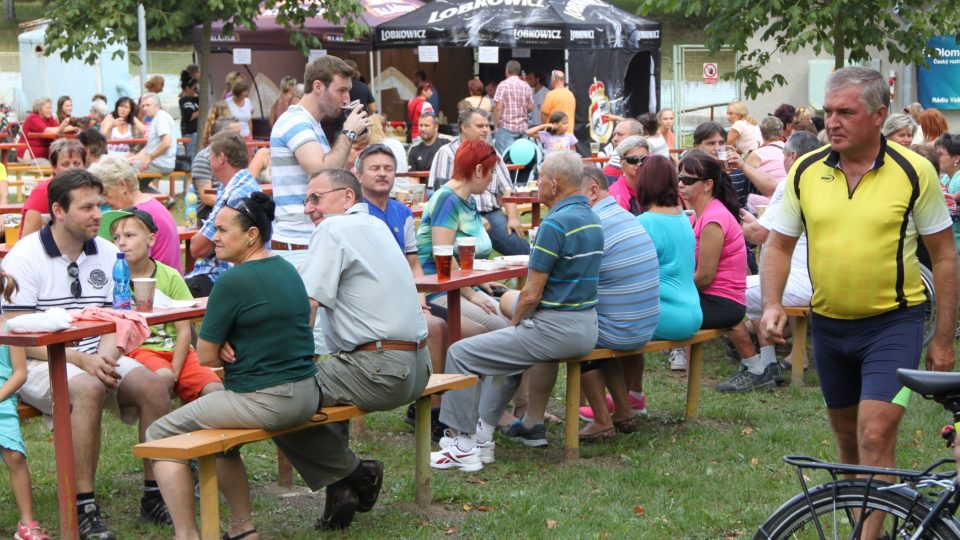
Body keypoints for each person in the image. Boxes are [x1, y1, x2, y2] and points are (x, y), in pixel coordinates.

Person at [761, 68, 957, 539]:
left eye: (846, 112)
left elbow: (945, 255)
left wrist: (944, 338)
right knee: (848, 445)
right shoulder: (806, 171)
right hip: (829, 327)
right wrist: (771, 304)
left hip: (895, 324)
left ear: (878, 115)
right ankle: (871, 528)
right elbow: (778, 245)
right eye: (828, 111)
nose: (833, 122)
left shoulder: (916, 171)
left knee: (875, 435)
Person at [3, 169, 173, 538]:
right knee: (87, 387)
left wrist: (106, 357)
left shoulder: (109, 252)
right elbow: (16, 334)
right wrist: (81, 360)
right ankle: (83, 505)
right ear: (58, 211)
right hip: (40, 360)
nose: (99, 214)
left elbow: (117, 316)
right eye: (87, 207)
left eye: (100, 204)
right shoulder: (25, 255)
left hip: (97, 354)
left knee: (155, 385)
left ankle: (155, 493)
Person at [147, 192, 326, 539]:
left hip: (267, 401)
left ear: (251, 235)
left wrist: (226, 343)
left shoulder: (230, 281)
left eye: (223, 230)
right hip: (307, 392)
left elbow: (207, 357)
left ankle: (186, 534)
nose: (214, 236)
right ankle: (243, 529)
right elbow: (300, 320)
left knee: (159, 435)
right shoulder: (286, 267)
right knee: (222, 439)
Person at [430, 151, 602, 470]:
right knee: (507, 356)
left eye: (539, 180)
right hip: (586, 328)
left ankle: (461, 442)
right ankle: (483, 438)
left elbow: (531, 294)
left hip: (555, 330)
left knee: (461, 353)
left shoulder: (555, 224)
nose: (535, 186)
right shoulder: (591, 217)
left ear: (554, 184)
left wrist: (515, 324)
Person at [299, 169, 432, 530]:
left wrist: (287, 363)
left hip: (381, 368)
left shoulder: (333, 228)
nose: (309, 207)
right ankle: (340, 493)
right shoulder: (376, 226)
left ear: (346, 198)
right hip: (418, 368)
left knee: (280, 394)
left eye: (316, 197)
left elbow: (309, 304)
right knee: (327, 378)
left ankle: (357, 474)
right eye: (306, 199)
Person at [570, 166, 660, 441]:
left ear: (593, 190)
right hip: (646, 324)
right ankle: (623, 410)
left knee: (578, 333)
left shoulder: (592, 224)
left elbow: (575, 287)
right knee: (596, 324)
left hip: (623, 329)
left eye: (571, 196)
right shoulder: (624, 215)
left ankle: (601, 420)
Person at [98, 208, 223, 401]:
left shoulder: (170, 276)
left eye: (129, 235)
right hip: (141, 350)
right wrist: (170, 376)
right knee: (162, 378)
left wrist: (176, 370)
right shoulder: (112, 278)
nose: (121, 242)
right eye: (115, 238)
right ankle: (159, 431)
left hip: (178, 350)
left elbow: (184, 331)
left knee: (214, 390)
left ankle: (189, 428)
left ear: (151, 239)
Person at [269, 54, 370, 265]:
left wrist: (351, 153)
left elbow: (331, 177)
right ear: (318, 86)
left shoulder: (312, 124)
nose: (346, 99)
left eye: (348, 91)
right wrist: (349, 133)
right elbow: (320, 172)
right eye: (341, 90)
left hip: (311, 241)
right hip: (298, 245)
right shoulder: (296, 121)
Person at [736, 131, 818, 375]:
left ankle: (763, 367)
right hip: (824, 281)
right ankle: (791, 357)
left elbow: (759, 235)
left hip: (799, 283)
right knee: (771, 280)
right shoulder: (825, 181)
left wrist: (733, 226)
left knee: (728, 291)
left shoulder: (792, 182)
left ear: (792, 156)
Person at [418, 140, 509, 333]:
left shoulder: (469, 200)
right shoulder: (447, 200)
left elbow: (464, 257)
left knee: (512, 320)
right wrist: (471, 293)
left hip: (461, 286)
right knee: (501, 328)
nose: (492, 178)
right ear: (478, 170)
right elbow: (442, 254)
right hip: (438, 288)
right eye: (491, 171)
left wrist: (478, 280)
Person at [676, 151, 753, 380]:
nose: (681, 185)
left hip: (722, 303)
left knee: (658, 311)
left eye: (688, 181)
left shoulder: (712, 220)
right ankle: (756, 367)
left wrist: (675, 291)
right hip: (721, 300)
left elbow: (705, 277)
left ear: (708, 184)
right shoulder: (699, 216)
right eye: (679, 179)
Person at [428, 107, 528, 256]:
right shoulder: (447, 152)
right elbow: (441, 194)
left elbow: (507, 188)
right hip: (459, 216)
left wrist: (513, 218)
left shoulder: (491, 153)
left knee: (525, 252)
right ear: (464, 127)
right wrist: (472, 219)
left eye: (488, 126)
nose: (486, 130)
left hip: (492, 214)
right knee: (466, 257)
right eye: (480, 126)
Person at [0, 270, 52, 540]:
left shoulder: (8, 327)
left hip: (2, 397)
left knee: (15, 456)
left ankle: (27, 523)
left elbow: (20, 373)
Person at [186, 131, 262, 297]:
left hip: (224, 278)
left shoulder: (233, 193)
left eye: (210, 155)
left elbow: (197, 248)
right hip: (245, 276)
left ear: (221, 157)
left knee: (169, 292)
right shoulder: (244, 184)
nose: (207, 160)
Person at [89, 154, 182, 272]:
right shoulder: (152, 204)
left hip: (154, 286)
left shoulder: (135, 215)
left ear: (123, 185)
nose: (104, 201)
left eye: (106, 193)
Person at [20, 138, 87, 239]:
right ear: (54, 168)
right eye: (65, 164)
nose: (72, 168)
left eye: (77, 163)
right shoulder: (43, 192)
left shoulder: (87, 190)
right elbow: (27, 238)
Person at [737, 116, 788, 211]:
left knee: (749, 198)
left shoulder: (757, 154)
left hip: (772, 201)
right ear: (782, 132)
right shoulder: (789, 150)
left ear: (762, 133)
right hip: (790, 197)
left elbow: (744, 178)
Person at [127, 93, 180, 185]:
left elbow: (167, 143)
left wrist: (149, 157)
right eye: (143, 106)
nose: (145, 108)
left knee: (125, 171)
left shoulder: (161, 117)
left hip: (162, 162)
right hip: (157, 161)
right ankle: (153, 195)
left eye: (148, 105)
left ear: (157, 105)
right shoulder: (154, 119)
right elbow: (148, 148)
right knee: (127, 165)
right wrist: (133, 158)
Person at [492, 60, 534, 155]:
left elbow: (498, 108)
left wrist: (495, 126)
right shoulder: (526, 86)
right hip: (522, 128)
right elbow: (531, 107)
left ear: (507, 70)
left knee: (506, 158)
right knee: (520, 157)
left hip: (506, 127)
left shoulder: (503, 85)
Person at [607, 135, 649, 215]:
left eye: (644, 159)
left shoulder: (654, 185)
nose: (639, 163)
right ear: (621, 164)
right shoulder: (617, 194)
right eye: (633, 160)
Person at [16, 98, 62, 165]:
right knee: (52, 167)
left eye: (51, 108)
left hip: (44, 156)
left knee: (60, 164)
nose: (50, 110)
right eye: (47, 108)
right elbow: (48, 130)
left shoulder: (49, 118)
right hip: (30, 156)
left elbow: (58, 128)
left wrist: (63, 128)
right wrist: (64, 127)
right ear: (39, 109)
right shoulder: (33, 118)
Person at [936, 133, 960, 250]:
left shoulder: (958, 179)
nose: (936, 157)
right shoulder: (946, 178)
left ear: (956, 158)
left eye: (939, 154)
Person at [601, 118, 642, 183]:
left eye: (620, 134)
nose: (614, 139)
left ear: (636, 136)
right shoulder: (651, 159)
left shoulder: (612, 170)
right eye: (614, 134)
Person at [179, 70, 200, 161]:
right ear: (187, 88)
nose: (195, 91)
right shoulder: (185, 100)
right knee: (192, 156)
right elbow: (190, 116)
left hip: (195, 132)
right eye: (193, 89)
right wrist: (202, 111)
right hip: (190, 133)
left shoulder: (193, 99)